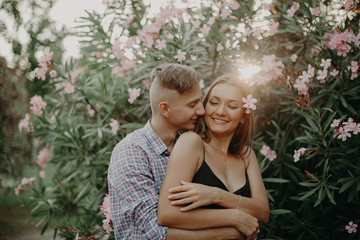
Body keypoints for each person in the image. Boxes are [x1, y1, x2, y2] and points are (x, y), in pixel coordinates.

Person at [108, 64, 259, 240]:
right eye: (192, 104)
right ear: (165, 109)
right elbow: (154, 234)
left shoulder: (190, 147)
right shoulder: (132, 152)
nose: (201, 110)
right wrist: (231, 228)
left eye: (200, 101)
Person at [158, 74, 269, 238]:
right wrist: (234, 217)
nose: (220, 111)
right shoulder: (191, 143)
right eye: (214, 103)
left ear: (244, 116)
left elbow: (263, 212)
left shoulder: (246, 155)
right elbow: (167, 214)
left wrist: (217, 196)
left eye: (232, 106)